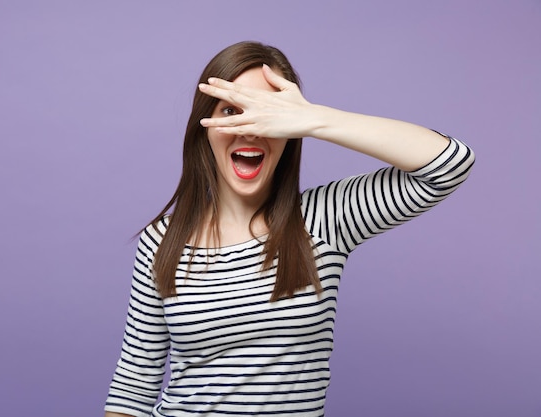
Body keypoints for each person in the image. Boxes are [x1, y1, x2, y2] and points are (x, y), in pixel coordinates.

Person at [104, 41, 475, 417]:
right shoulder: (162, 240)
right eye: (232, 111)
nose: (250, 128)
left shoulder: (325, 220)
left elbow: (449, 163)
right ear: (205, 128)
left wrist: (314, 119)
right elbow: (133, 383)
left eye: (267, 112)